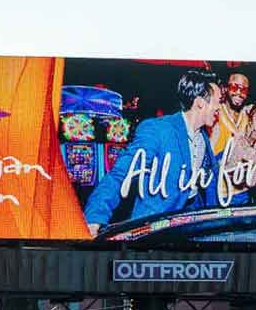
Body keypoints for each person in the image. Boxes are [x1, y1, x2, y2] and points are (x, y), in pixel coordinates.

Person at [84, 69, 222, 235]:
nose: (219, 108)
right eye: (218, 101)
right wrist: (94, 218)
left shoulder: (203, 138)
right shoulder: (158, 130)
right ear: (200, 102)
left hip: (186, 229)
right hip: (151, 229)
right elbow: (120, 175)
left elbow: (202, 186)